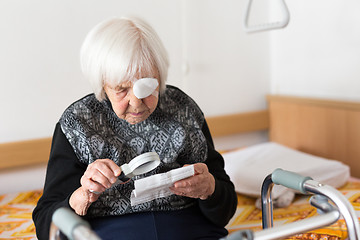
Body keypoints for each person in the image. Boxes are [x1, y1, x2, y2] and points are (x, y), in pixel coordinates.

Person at [32, 16, 237, 240]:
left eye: (147, 86)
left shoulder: (184, 110)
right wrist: (79, 198)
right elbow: (45, 224)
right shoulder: (77, 123)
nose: (137, 102)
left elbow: (225, 209)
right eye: (121, 89)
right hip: (108, 232)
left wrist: (210, 189)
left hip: (188, 229)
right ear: (102, 84)